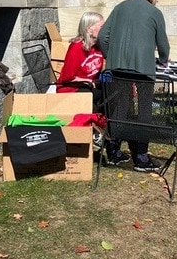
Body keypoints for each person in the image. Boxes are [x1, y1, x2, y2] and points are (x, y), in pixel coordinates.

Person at [97, 0, 170, 172]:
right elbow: (163, 44)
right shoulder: (154, 12)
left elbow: (103, 36)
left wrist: (110, 55)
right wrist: (163, 59)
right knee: (144, 110)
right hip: (144, 69)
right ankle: (141, 157)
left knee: (118, 109)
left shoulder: (120, 7)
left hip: (116, 67)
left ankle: (113, 152)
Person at [56, 12, 131, 166]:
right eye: (102, 27)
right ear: (89, 29)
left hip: (90, 86)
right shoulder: (76, 47)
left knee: (120, 94)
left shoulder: (99, 47)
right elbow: (67, 77)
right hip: (71, 89)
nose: (105, 30)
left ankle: (112, 147)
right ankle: (105, 139)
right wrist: (88, 81)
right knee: (104, 101)